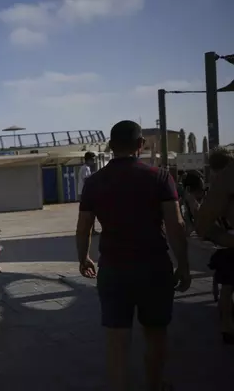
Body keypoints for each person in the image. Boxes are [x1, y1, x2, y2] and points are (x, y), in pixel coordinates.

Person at [75, 120, 189, 391]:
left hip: (114, 269)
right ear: (141, 145)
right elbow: (176, 225)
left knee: (117, 342)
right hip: (154, 268)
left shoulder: (94, 183)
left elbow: (84, 227)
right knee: (155, 335)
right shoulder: (160, 177)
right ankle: (154, 385)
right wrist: (183, 265)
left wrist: (84, 257)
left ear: (111, 146)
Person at [194, 147, 234, 344]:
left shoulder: (218, 184)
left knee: (227, 287)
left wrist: (220, 237)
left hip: (228, 244)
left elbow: (204, 224)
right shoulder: (224, 182)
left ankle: (226, 326)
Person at [78, 151, 99, 235]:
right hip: (85, 193)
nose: (93, 161)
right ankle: (90, 230)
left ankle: (91, 230)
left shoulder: (86, 168)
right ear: (88, 160)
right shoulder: (85, 168)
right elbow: (86, 180)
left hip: (85, 192)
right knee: (89, 212)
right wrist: (94, 176)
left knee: (90, 212)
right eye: (92, 159)